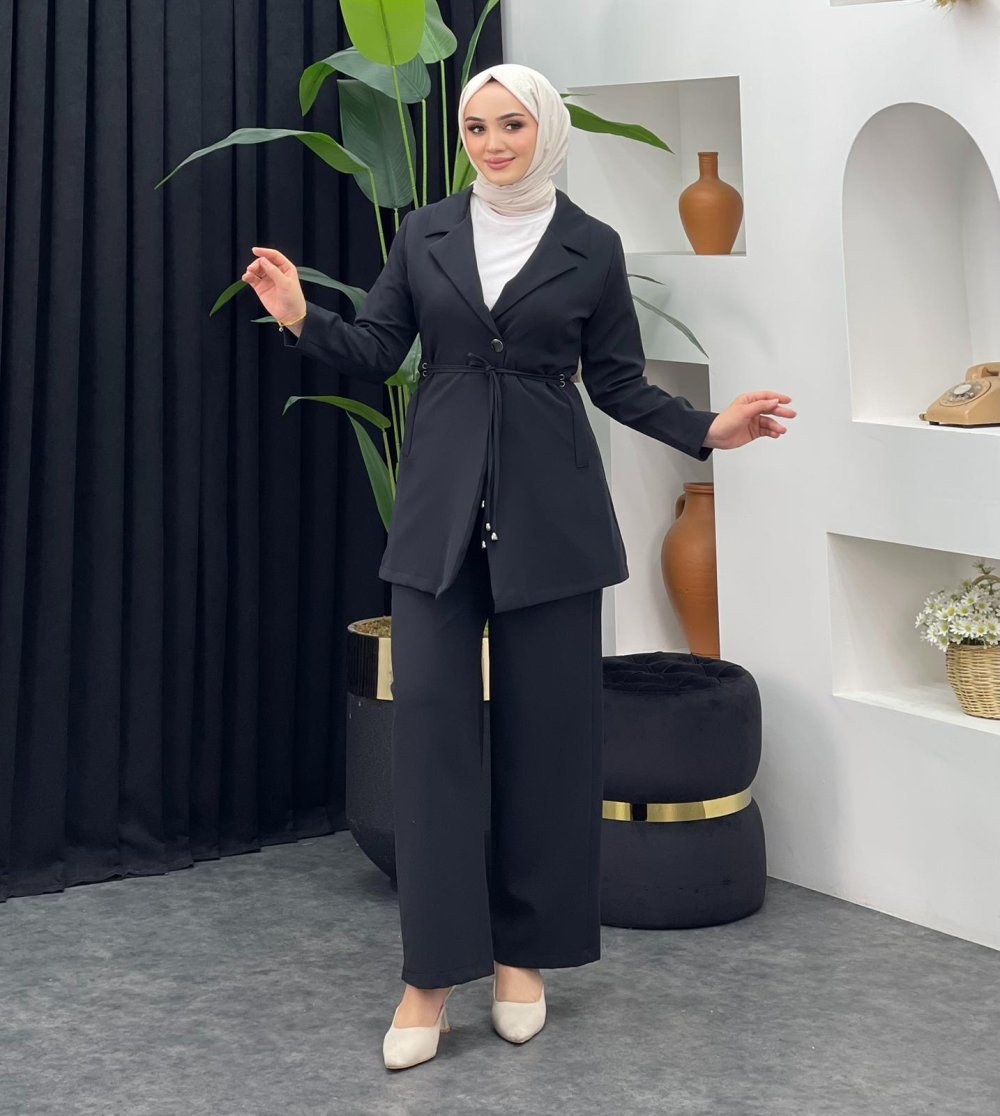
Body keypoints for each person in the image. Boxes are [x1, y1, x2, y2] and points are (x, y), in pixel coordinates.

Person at [242, 63, 795, 1071]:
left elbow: (617, 381)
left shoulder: (592, 245)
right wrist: (298, 315)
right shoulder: (425, 234)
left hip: (553, 521)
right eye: (475, 127)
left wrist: (707, 428)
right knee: (430, 747)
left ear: (544, 130)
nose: (492, 143)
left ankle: (522, 961)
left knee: (548, 747)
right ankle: (429, 977)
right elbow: (379, 347)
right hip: (439, 519)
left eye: (510, 125)